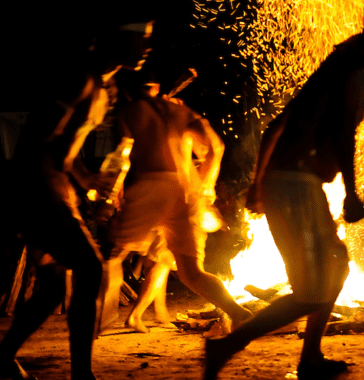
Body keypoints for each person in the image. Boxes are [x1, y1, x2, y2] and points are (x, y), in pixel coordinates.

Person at [204, 20, 364, 379]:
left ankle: (310, 356)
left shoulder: (326, 80)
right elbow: (345, 135)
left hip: (293, 187)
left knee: (336, 267)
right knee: (311, 290)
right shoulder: (355, 76)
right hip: (297, 189)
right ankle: (228, 346)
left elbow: (275, 126)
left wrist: (258, 183)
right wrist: (352, 193)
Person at [98, 68, 252, 334]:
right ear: (156, 88)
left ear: (127, 90)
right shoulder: (181, 111)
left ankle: (97, 319)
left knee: (113, 253)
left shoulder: (130, 112)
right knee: (191, 273)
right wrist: (204, 185)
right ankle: (240, 315)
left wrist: (110, 197)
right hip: (186, 190)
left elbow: (123, 155)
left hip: (151, 184)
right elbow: (216, 148)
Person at [0, 65, 110, 380]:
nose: (147, 46)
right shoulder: (80, 79)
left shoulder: (98, 85)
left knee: (54, 285)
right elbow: (45, 138)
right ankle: (82, 374)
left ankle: (2, 358)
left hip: (51, 190)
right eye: (142, 35)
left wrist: (87, 181)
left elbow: (64, 148)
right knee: (90, 266)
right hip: (39, 189)